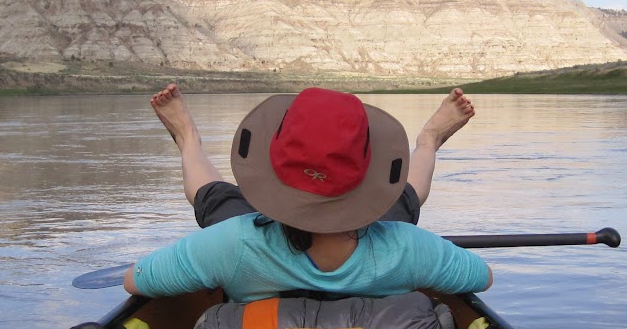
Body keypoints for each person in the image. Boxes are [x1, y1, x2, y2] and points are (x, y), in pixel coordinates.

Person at [123, 87, 491, 304]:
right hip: (381, 243)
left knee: (215, 197)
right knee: (404, 198)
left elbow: (134, 281)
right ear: (371, 171)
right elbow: (482, 277)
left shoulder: (231, 244)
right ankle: (429, 140)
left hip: (250, 247)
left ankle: (188, 139)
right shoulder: (408, 248)